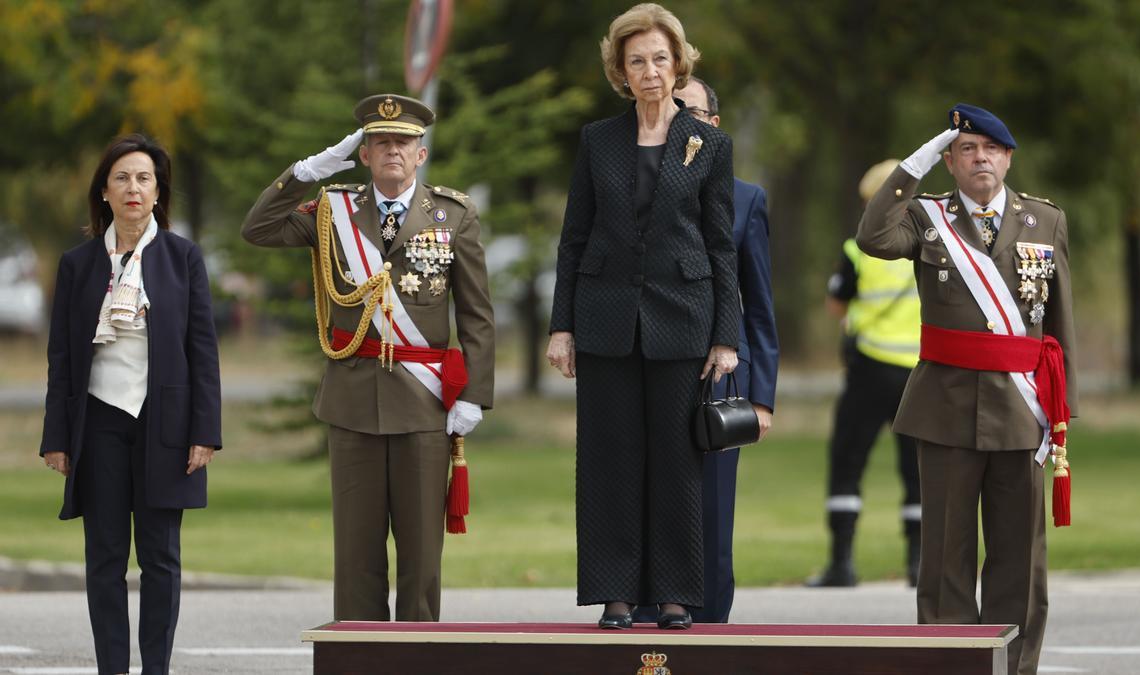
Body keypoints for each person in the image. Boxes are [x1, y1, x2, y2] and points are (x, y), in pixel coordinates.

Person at [242, 94, 495, 622]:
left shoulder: (453, 215)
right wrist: (311, 169)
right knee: (356, 552)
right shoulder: (333, 210)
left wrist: (473, 395)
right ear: (363, 153)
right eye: (380, 142)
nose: (392, 151)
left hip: (423, 402)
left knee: (422, 552)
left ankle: (417, 656)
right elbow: (258, 229)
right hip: (353, 398)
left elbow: (476, 315)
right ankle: (359, 657)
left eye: (403, 142)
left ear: (421, 154)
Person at [857, 103, 1077, 675]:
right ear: (950, 162)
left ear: (1007, 158)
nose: (981, 158)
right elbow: (873, 235)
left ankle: (1015, 667)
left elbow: (1060, 321)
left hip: (1021, 411)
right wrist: (915, 162)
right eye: (966, 149)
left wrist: (1062, 412)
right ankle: (950, 665)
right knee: (945, 559)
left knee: (1018, 559)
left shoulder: (1045, 220)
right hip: (945, 408)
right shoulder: (927, 217)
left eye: (991, 149)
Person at [546, 3, 739, 631]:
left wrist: (726, 337)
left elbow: (720, 246)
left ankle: (678, 596)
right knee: (610, 460)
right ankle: (617, 595)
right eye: (637, 61)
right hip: (604, 321)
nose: (650, 71)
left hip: (683, 319)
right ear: (620, 71)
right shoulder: (597, 140)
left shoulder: (709, 143)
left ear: (678, 63)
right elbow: (574, 238)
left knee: (677, 465)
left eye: (660, 58)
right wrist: (561, 325)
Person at [40, 133, 222, 675]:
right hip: (99, 421)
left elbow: (203, 349)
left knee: (161, 559)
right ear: (104, 192)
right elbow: (61, 357)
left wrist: (205, 430)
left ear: (158, 190)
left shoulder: (182, 257)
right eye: (122, 178)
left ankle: (156, 669)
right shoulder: (77, 265)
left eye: (144, 178)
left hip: (164, 422)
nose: (133, 188)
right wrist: (56, 436)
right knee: (105, 558)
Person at [631, 75, 778, 625]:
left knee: (710, 513)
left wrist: (762, 396)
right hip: (644, 369)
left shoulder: (746, 199)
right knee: (644, 502)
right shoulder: (629, 185)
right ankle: (644, 627)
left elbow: (759, 308)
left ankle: (711, 629)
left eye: (689, 110)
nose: (678, 120)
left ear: (714, 125)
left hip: (717, 379)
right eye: (669, 110)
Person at [808, 159, 921, 588]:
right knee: (917, 470)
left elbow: (836, 304)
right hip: (917, 370)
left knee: (848, 461)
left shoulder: (859, 249)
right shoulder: (929, 244)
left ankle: (842, 563)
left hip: (871, 366)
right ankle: (918, 562)